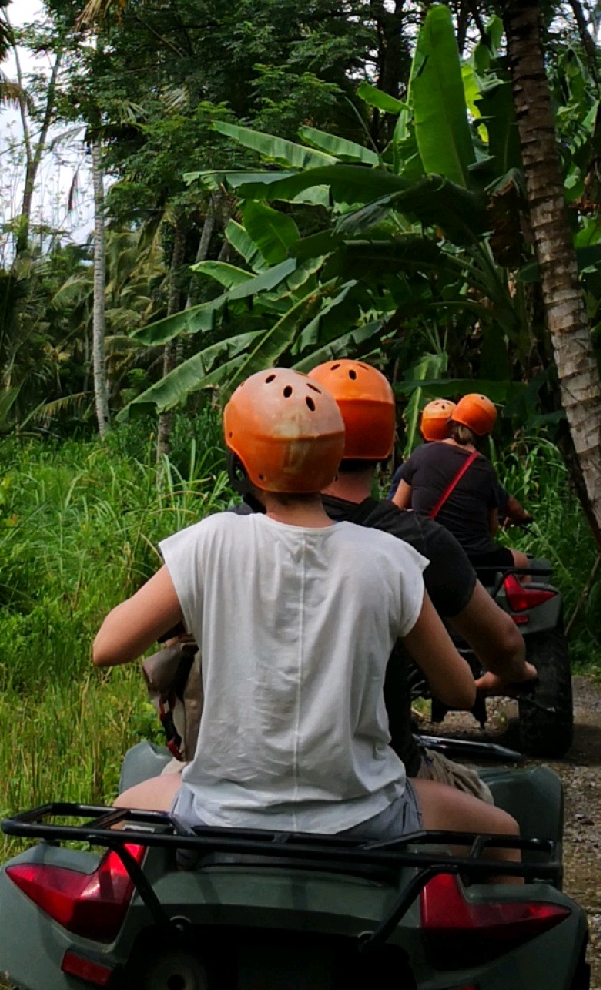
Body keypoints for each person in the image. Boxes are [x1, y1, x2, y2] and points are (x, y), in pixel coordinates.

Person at [91, 366, 520, 845]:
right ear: (334, 454)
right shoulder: (392, 558)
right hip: (367, 815)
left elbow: (107, 647)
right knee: (505, 832)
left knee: (123, 812)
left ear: (241, 462)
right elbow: (460, 692)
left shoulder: (210, 542)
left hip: (216, 812)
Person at [304, 356, 532, 772]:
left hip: (234, 788)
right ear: (388, 444)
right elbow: (462, 690)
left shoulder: (232, 530)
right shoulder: (401, 550)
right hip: (379, 776)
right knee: (504, 826)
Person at [392, 391, 532, 563]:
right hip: (474, 559)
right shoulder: (484, 468)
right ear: (485, 434)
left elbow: (395, 508)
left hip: (426, 556)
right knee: (524, 563)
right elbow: (492, 529)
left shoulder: (420, 455)